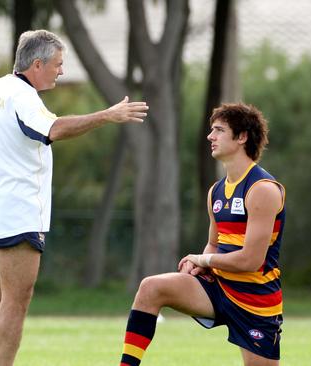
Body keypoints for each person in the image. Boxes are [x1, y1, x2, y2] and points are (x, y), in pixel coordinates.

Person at [0, 29, 148, 366]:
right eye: (58, 64)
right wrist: (106, 115)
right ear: (38, 64)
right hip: (17, 210)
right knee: (17, 299)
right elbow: (54, 129)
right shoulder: (22, 97)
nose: (61, 71)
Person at [118, 103, 285, 366]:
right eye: (211, 130)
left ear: (242, 137)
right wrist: (201, 265)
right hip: (218, 289)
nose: (210, 136)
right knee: (151, 287)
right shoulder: (216, 192)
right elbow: (213, 244)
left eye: (219, 130)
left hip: (256, 302)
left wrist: (202, 260)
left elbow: (251, 261)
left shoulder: (262, 189)